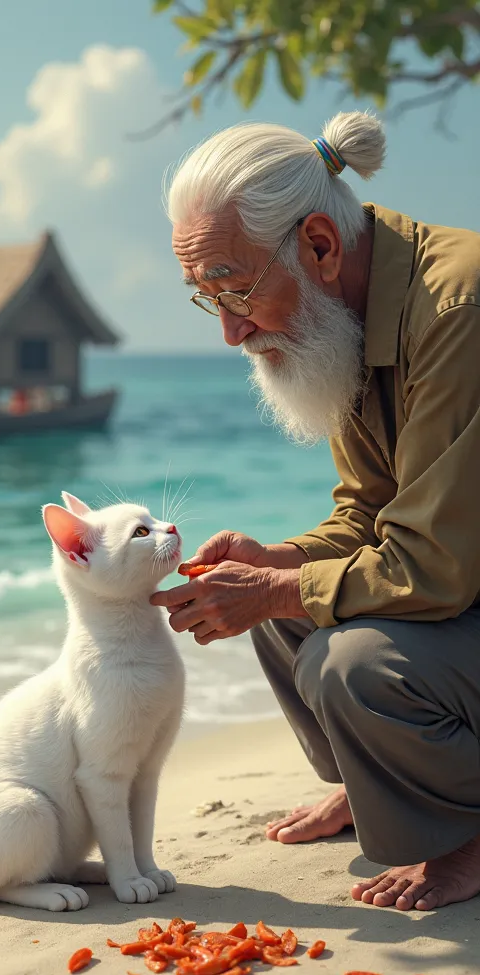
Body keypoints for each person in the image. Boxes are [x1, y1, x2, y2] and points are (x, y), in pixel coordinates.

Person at [150, 111, 480, 913]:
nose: (231, 330)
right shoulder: (358, 312)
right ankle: (383, 791)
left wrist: (273, 589)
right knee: (281, 596)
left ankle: (465, 834)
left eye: (235, 287)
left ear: (321, 247)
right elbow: (369, 514)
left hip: (458, 582)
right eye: (207, 298)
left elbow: (433, 566)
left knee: (350, 664)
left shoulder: (456, 308)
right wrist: (274, 565)